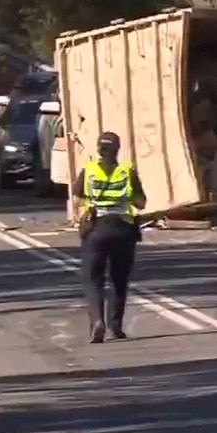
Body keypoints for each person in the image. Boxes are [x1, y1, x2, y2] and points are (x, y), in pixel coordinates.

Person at [72, 131, 147, 343]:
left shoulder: (88, 170)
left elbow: (77, 200)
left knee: (93, 277)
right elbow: (141, 202)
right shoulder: (127, 171)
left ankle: (97, 321)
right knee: (119, 279)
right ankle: (115, 327)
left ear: (98, 150)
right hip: (123, 229)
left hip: (96, 230)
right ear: (117, 150)